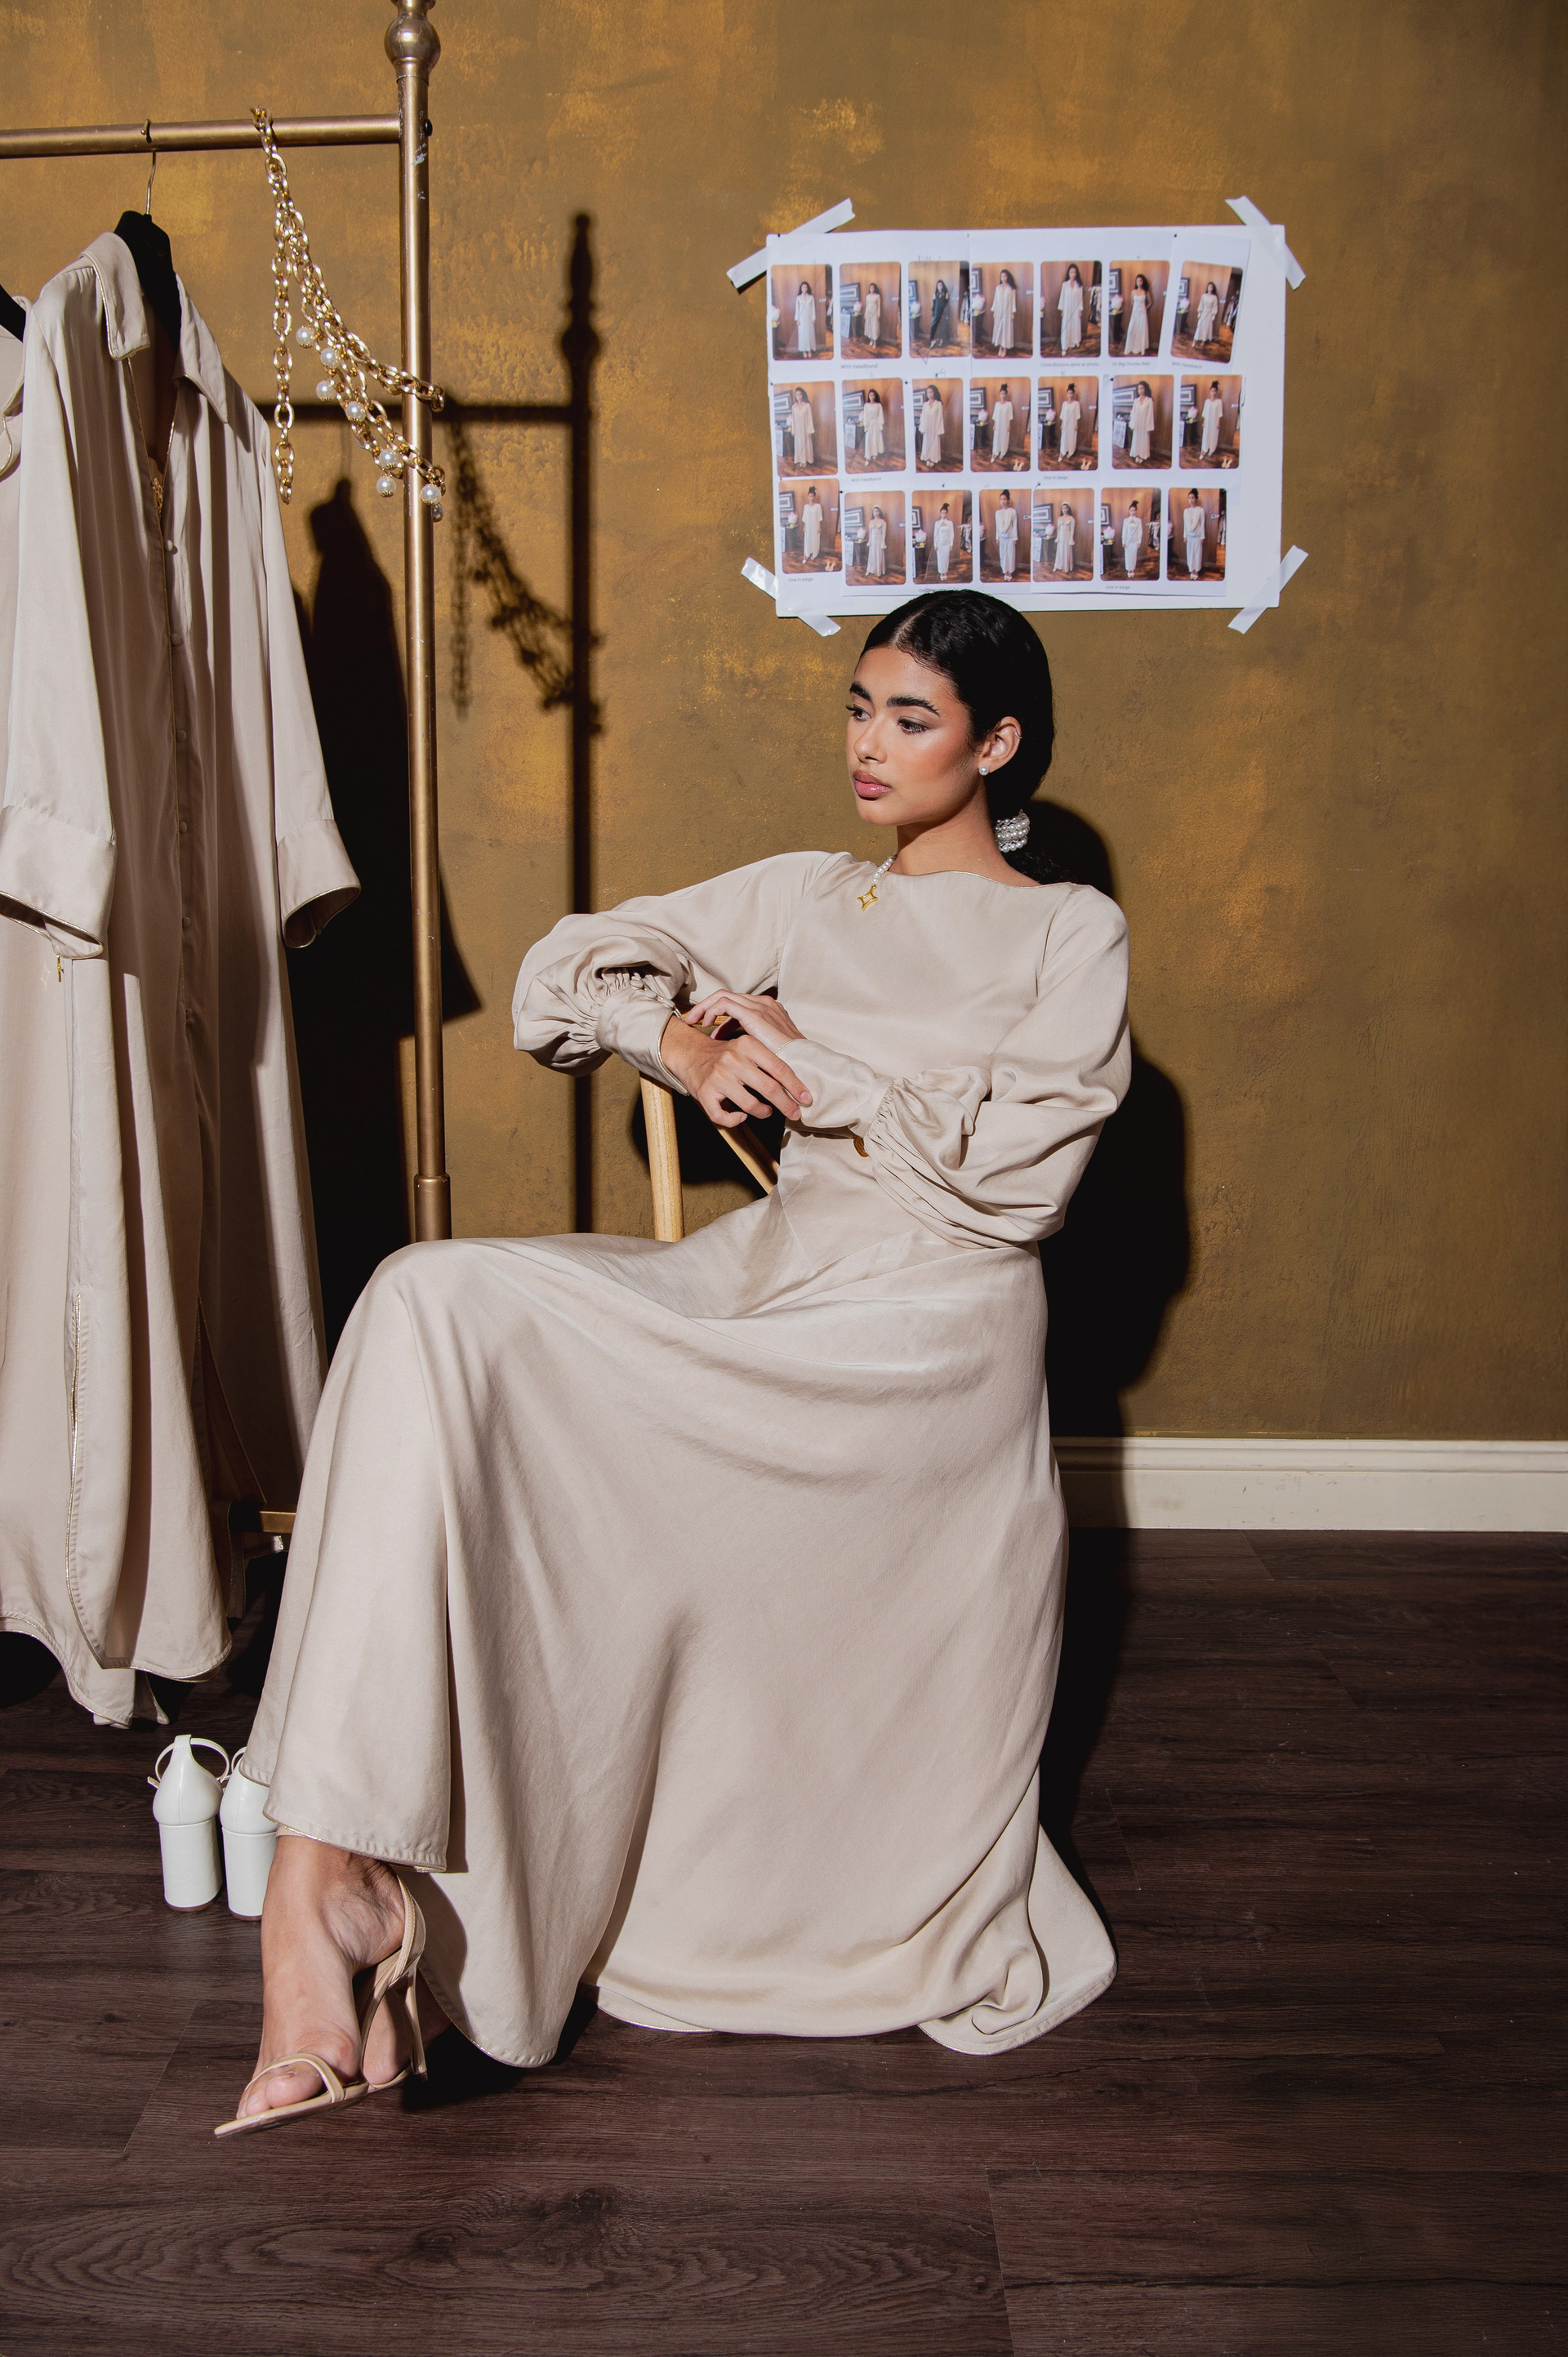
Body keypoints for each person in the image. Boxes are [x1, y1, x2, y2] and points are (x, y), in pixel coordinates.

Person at [220, 589, 1130, 2138]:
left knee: (463, 1321)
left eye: (912, 719)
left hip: (930, 1332)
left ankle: (335, 1892)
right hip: (774, 1271)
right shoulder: (810, 893)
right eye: (860, 707)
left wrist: (814, 1063)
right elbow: (572, 965)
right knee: (428, 1301)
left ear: (997, 744)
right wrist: (688, 1042)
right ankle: (327, 1874)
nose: (869, 744)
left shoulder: (1067, 930)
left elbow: (1018, 1182)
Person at [990, 268, 1019, 354]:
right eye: (1002, 276)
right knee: (999, 328)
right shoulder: (998, 288)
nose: (1003, 278)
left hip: (1007, 312)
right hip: (999, 311)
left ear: (1008, 277)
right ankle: (1000, 347)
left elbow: (1013, 301)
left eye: (1005, 276)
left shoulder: (1011, 289)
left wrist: (1012, 312)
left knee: (1006, 329)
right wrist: (994, 311)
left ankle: (1005, 348)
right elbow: (995, 300)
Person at [1058, 263, 1085, 353]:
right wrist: (1062, 310)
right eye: (1071, 272)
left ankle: (1074, 342)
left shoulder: (1079, 285)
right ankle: (1064, 345)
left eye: (1074, 272)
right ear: (1069, 273)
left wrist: (1080, 310)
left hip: (1076, 309)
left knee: (1075, 325)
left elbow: (1080, 298)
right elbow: (1062, 297)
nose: (1073, 274)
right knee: (1066, 325)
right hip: (1067, 309)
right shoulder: (1065, 285)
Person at [1125, 271, 1152, 358]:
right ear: (1136, 282)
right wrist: (1135, 309)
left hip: (1143, 313)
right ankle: (1130, 347)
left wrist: (1145, 309)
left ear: (1143, 282)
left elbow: (1150, 302)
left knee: (1142, 330)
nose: (1139, 282)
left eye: (1141, 281)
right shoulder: (1133, 292)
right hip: (1135, 313)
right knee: (1131, 330)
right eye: (1138, 281)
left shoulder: (1146, 292)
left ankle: (1141, 348)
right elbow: (1132, 302)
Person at [1129, 381, 1155, 465]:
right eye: (1139, 389)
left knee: (1143, 439)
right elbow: (1133, 412)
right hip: (1137, 423)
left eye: (1142, 388)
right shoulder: (1136, 401)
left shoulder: (1149, 400)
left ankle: (1142, 455)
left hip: (1144, 423)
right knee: (1136, 438)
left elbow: (1150, 414)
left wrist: (1149, 426)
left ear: (1145, 389)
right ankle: (1136, 454)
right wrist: (1132, 424)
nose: (1140, 390)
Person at [995, 489, 1018, 579]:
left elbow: (1015, 525)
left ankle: (1010, 572)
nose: (1003, 501)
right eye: (1001, 499)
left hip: (1010, 537)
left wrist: (1015, 538)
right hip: (1002, 537)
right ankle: (1005, 571)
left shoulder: (1012, 511)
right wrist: (997, 538)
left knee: (1010, 555)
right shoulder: (998, 513)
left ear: (1008, 500)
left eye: (1004, 499)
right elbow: (997, 526)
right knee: (1003, 555)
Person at [1183, 489, 1205, 577]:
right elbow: (1185, 524)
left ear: (1196, 499)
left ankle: (1196, 570)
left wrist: (1202, 537)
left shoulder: (1200, 510)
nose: (1191, 500)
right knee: (1190, 554)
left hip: (1197, 536)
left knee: (1197, 554)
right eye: (1189, 498)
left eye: (1193, 498)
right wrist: (1185, 536)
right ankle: (1192, 569)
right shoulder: (1186, 511)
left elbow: (1202, 524)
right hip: (1189, 536)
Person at [920, 385, 945, 468]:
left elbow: (940, 417)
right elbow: (923, 416)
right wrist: (923, 428)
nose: (929, 394)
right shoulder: (925, 405)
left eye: (931, 392)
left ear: (935, 393)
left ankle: (933, 459)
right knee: (927, 442)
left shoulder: (938, 404)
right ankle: (927, 458)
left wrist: (938, 429)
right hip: (927, 428)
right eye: (928, 393)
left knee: (934, 443)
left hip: (935, 427)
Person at [991, 382, 1015, 464]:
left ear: (1006, 394)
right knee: (996, 438)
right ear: (999, 394)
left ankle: (1002, 453)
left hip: (1005, 424)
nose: (1003, 395)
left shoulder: (1009, 404)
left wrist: (1009, 425)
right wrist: (994, 425)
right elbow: (995, 415)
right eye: (1001, 394)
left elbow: (1010, 416)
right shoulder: (997, 404)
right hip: (998, 424)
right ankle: (994, 454)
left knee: (1004, 438)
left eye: (1004, 394)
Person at [790, 387, 814, 468]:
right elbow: (793, 420)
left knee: (805, 444)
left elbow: (810, 418)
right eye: (797, 395)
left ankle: (805, 460)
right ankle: (800, 460)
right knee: (799, 445)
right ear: (796, 396)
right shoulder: (794, 407)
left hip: (805, 429)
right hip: (798, 430)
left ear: (802, 395)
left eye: (800, 394)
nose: (799, 396)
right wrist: (793, 431)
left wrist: (810, 430)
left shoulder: (807, 406)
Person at [862, 386, 886, 465]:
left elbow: (881, 415)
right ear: (869, 396)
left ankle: (875, 454)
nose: (872, 397)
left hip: (876, 423)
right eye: (871, 395)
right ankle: (868, 457)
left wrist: (880, 425)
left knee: (876, 438)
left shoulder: (879, 405)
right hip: (870, 424)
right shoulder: (866, 405)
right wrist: (866, 426)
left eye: (873, 395)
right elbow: (866, 416)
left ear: (875, 396)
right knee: (869, 440)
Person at [794, 278, 818, 356]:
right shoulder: (798, 298)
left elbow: (813, 308)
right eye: (803, 287)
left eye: (806, 287)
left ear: (808, 288)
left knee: (810, 334)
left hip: (809, 319)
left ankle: (810, 350)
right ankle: (804, 350)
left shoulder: (811, 297)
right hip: (801, 320)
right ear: (801, 288)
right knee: (803, 334)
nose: (804, 289)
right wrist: (797, 319)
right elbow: (797, 309)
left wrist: (813, 318)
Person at [1201, 380, 1224, 460]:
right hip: (1207, 422)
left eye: (1215, 391)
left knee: (1213, 435)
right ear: (1210, 392)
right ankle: (1203, 450)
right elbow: (1205, 412)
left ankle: (1211, 450)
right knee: (1206, 435)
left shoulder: (1219, 402)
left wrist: (1218, 422)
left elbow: (1219, 413)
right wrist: (1204, 422)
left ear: (1216, 392)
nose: (1213, 393)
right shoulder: (1207, 401)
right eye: (1212, 391)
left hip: (1215, 422)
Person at [1121, 497, 1144, 576]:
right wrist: (1123, 542)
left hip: (1135, 542)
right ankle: (1128, 570)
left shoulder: (1138, 520)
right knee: (1128, 556)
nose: (1133, 512)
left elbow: (1140, 532)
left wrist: (1139, 541)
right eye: (1131, 510)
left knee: (1134, 556)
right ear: (1129, 511)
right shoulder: (1126, 520)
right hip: (1128, 541)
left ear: (1136, 511)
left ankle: (1132, 570)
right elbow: (1124, 531)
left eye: (1134, 510)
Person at [933, 500, 956, 579]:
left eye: (945, 513)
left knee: (946, 558)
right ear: (940, 513)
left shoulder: (950, 523)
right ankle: (941, 573)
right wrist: (935, 545)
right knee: (940, 559)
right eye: (942, 513)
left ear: (947, 514)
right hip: (940, 544)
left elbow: (952, 533)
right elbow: (935, 534)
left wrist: (951, 544)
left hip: (947, 544)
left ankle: (945, 572)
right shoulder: (937, 523)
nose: (944, 515)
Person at [1059, 384, 1081, 463]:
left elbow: (1077, 415)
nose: (1070, 395)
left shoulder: (1076, 403)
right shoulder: (1064, 404)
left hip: (1073, 424)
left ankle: (1070, 452)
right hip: (1065, 424)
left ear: (1073, 394)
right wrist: (1062, 424)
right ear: (1067, 394)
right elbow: (1062, 415)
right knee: (1064, 438)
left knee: (1072, 438)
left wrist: (1076, 424)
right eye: (1069, 393)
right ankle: (1062, 453)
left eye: (1072, 393)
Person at [1194, 278, 1220, 346]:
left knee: (1206, 327)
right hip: (1203, 313)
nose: (1210, 288)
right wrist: (1199, 313)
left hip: (1209, 314)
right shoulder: (1204, 295)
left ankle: (1204, 340)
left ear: (1213, 288)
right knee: (1200, 326)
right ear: (1207, 288)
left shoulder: (1214, 297)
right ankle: (1195, 339)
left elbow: (1215, 306)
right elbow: (1201, 304)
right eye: (1209, 287)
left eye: (1211, 287)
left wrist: (1213, 315)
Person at [802, 486, 824, 565]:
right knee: (807, 540)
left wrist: (819, 526)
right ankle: (806, 555)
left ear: (814, 497)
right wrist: (804, 526)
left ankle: (814, 554)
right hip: (808, 527)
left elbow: (819, 517)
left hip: (815, 526)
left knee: (815, 540)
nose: (811, 498)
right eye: (810, 496)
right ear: (808, 497)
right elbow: (805, 518)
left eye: (812, 496)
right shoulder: (806, 507)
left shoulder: (818, 506)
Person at [1054, 500, 1076, 575]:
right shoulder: (1059, 518)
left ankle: (1066, 567)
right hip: (1061, 537)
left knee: (1066, 550)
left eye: (1066, 508)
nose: (1064, 510)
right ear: (1062, 509)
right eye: (1063, 508)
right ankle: (1058, 565)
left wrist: (1071, 539)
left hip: (1067, 537)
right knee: (1060, 551)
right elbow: (1059, 529)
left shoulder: (1071, 518)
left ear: (1068, 509)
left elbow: (1072, 530)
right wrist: (1057, 537)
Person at [867, 502, 889, 577]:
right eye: (874, 511)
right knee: (872, 554)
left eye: (877, 511)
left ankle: (878, 570)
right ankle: (871, 569)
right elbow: (870, 533)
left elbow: (884, 533)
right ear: (873, 513)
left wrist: (883, 542)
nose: (876, 513)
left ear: (879, 512)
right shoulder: (871, 522)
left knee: (878, 554)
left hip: (879, 540)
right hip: (873, 540)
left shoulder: (883, 522)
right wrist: (869, 541)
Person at [929, 277, 951, 348]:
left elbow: (947, 305)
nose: (940, 287)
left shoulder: (946, 294)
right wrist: (933, 315)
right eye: (938, 285)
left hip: (943, 314)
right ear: (937, 286)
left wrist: (947, 315)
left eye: (941, 285)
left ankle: (941, 342)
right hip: (936, 313)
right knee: (934, 327)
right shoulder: (935, 294)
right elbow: (934, 305)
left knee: (942, 328)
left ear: (943, 286)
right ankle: (933, 341)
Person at [863, 279, 883, 349]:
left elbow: (879, 306)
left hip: (875, 313)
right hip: (868, 313)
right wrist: (865, 314)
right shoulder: (867, 296)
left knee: (874, 327)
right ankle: (871, 339)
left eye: (873, 288)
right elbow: (867, 305)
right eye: (871, 288)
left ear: (875, 289)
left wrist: (878, 314)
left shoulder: (877, 296)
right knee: (870, 327)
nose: (872, 289)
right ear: (869, 289)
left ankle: (875, 342)